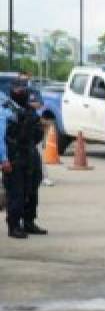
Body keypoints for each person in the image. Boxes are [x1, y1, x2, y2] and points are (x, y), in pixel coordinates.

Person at [1, 84, 47, 238]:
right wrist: (3, 159)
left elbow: (38, 130)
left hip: (30, 154)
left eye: (23, 90)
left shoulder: (29, 110)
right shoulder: (6, 111)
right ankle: (13, 226)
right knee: (16, 192)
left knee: (32, 189)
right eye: (18, 90)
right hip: (14, 156)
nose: (22, 93)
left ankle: (28, 222)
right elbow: (1, 138)